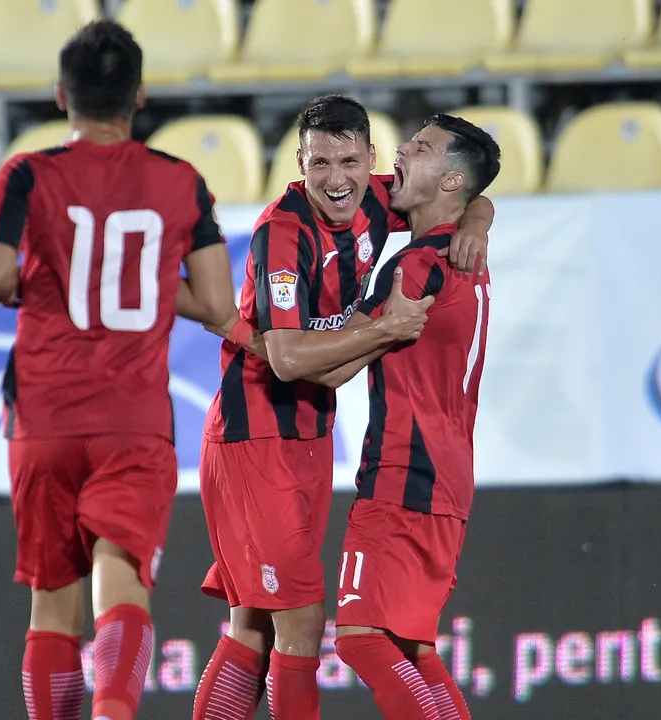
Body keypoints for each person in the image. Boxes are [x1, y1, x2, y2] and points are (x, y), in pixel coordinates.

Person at [0, 20, 238, 720]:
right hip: (133, 417)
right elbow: (214, 302)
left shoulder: (28, 174)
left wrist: (56, 279)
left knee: (52, 598)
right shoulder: (182, 182)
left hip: (43, 413)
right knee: (121, 573)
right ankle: (115, 712)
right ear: (140, 94)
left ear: (62, 96)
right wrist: (137, 280)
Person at [192, 96, 496, 720]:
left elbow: (467, 189)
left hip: (308, 435)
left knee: (253, 621)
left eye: (350, 161)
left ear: (371, 161)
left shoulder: (381, 204)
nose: (337, 179)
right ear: (300, 164)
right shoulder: (285, 234)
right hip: (256, 435)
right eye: (320, 163)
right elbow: (287, 361)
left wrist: (477, 222)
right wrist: (384, 331)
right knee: (302, 619)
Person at [323, 114, 500, 720]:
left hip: (404, 472)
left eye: (420, 148)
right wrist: (481, 212)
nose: (400, 150)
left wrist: (248, 331)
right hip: (446, 479)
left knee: (362, 639)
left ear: (450, 181)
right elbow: (481, 197)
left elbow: (327, 369)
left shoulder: (417, 267)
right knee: (411, 649)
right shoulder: (458, 255)